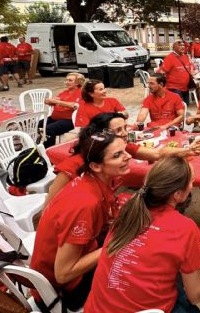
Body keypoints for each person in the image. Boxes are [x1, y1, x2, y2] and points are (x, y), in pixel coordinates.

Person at [84, 157, 200, 313]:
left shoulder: (127, 209)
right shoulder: (184, 228)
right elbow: (195, 295)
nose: (193, 184)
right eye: (191, 181)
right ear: (178, 195)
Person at [31, 132, 131, 310]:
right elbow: (63, 274)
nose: (128, 156)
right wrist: (113, 245)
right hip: (61, 291)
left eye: (125, 150)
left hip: (70, 259)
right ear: (96, 166)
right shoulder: (85, 204)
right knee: (134, 266)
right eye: (117, 155)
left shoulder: (90, 180)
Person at [46, 113, 200, 206]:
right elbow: (51, 205)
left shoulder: (122, 146)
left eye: (125, 128)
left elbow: (157, 154)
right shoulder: (74, 166)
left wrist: (187, 150)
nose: (125, 133)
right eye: (118, 130)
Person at [42, 73, 84, 147]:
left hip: (69, 120)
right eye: (66, 80)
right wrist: (49, 101)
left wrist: (57, 101)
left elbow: (74, 106)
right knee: (35, 125)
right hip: (54, 118)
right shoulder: (65, 92)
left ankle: (47, 150)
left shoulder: (81, 93)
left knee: (48, 129)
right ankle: (35, 147)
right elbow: (54, 102)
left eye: (70, 80)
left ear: (78, 82)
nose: (67, 82)